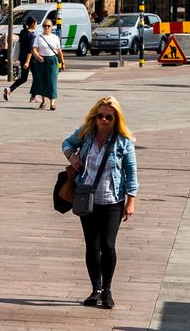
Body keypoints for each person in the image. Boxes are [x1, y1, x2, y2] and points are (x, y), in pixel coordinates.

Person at [61, 96, 138, 309]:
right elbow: (66, 143)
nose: (104, 120)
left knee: (108, 245)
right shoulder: (86, 134)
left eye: (109, 117)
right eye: (100, 116)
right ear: (95, 117)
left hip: (113, 200)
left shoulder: (123, 141)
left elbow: (131, 173)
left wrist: (131, 201)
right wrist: (72, 157)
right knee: (92, 246)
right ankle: (96, 289)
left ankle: (108, 290)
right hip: (87, 198)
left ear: (116, 119)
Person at [29, 18, 66, 110]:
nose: (46, 27)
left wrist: (62, 62)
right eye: (45, 26)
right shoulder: (38, 37)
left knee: (52, 81)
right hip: (41, 61)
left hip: (52, 60)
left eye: (48, 26)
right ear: (42, 27)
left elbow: (59, 51)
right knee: (42, 81)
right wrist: (38, 57)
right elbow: (34, 50)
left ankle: (52, 102)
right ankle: (43, 101)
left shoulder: (55, 37)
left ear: (51, 27)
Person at [2, 16, 38, 102]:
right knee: (36, 78)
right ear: (33, 24)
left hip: (22, 57)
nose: (36, 25)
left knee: (23, 78)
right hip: (30, 60)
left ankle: (10, 89)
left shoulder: (23, 32)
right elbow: (30, 50)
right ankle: (33, 97)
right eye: (36, 23)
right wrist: (27, 62)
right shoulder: (32, 36)